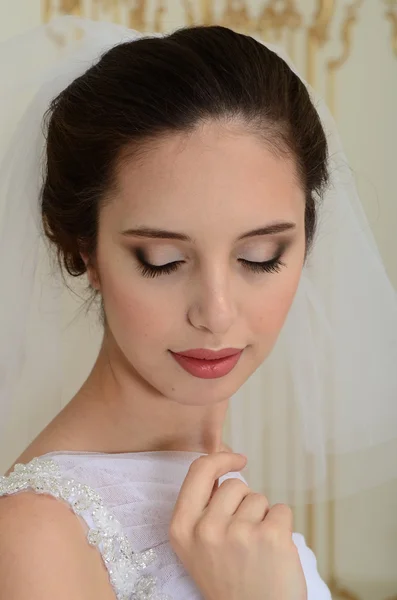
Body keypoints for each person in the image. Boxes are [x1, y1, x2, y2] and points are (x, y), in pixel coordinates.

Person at [0, 16, 396, 600]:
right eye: (162, 260)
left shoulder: (216, 485)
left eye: (260, 257)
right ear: (83, 247)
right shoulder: (37, 538)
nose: (215, 313)